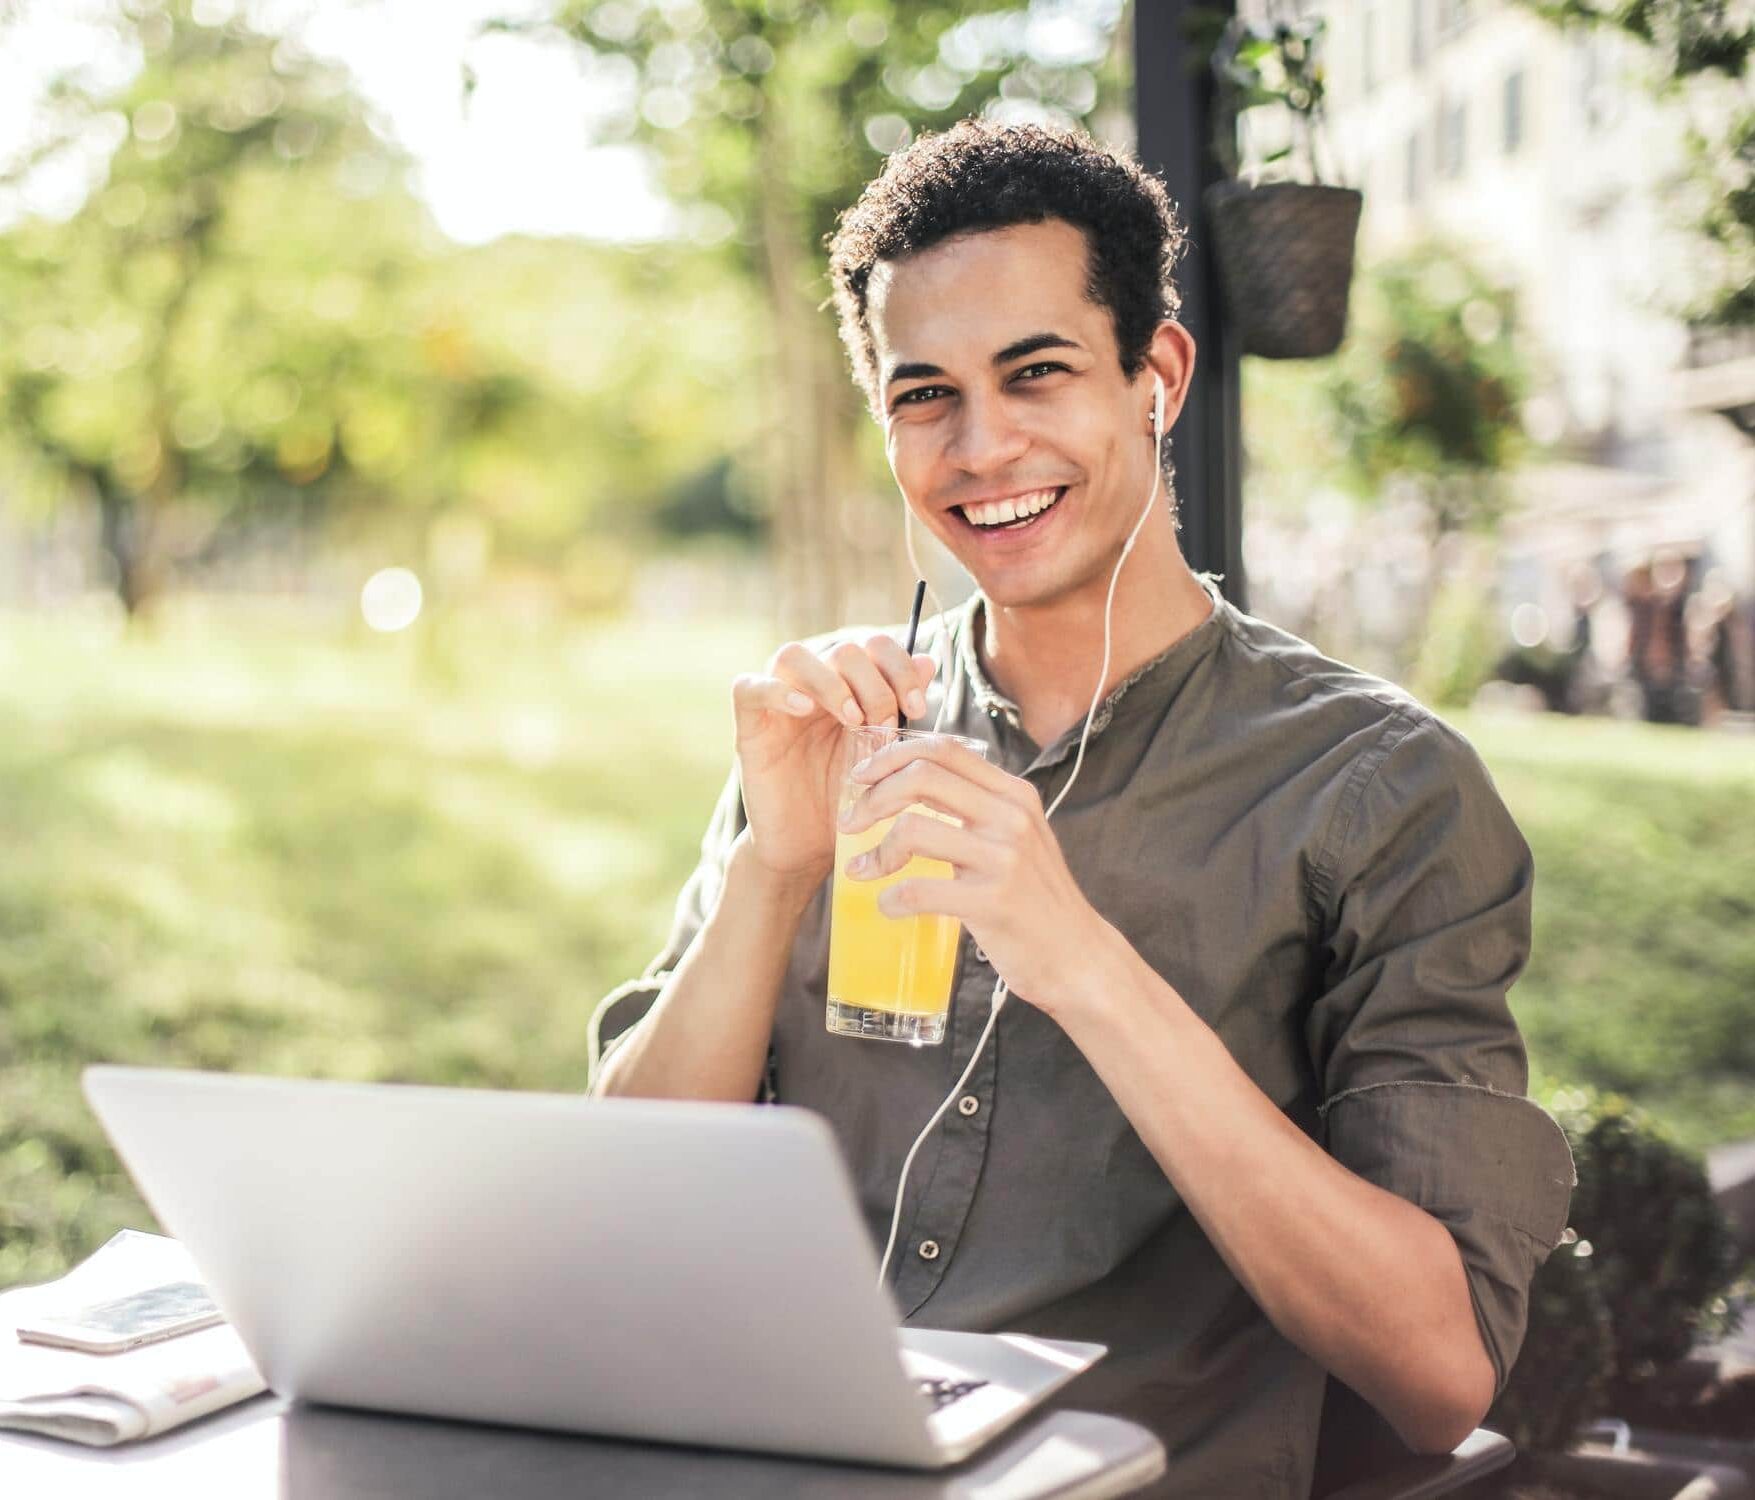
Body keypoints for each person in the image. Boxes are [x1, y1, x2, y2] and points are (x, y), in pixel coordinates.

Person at [590, 120, 1574, 1498]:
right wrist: (773, 871)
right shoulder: (833, 738)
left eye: (1036, 372)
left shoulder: (1377, 791)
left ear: (1153, 378)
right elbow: (617, 1213)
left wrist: (1079, 960)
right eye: (925, 394)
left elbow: (1438, 1371)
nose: (984, 448)